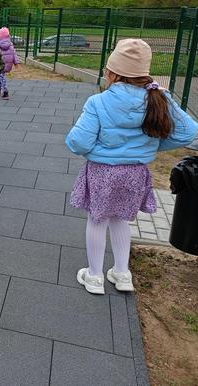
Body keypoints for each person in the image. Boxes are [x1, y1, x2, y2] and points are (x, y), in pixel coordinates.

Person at [66, 39, 198, 295]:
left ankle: (94, 276)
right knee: (121, 219)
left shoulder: (99, 102)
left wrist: (99, 151)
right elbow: (189, 132)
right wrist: (151, 147)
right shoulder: (158, 98)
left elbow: (78, 142)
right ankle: (122, 273)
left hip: (103, 171)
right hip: (136, 173)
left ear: (114, 73)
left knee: (97, 219)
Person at [0, 27, 19, 99]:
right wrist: (16, 62)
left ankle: (5, 91)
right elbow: (14, 53)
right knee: (2, 75)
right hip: (8, 63)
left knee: (2, 76)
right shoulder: (10, 44)